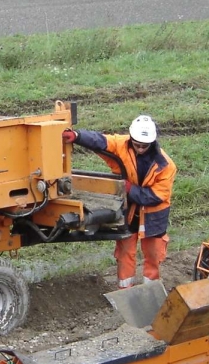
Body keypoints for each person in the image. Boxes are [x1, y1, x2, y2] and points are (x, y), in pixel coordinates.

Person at [62, 116, 177, 289]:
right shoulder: (122, 144)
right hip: (129, 210)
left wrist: (130, 189)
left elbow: (154, 196)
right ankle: (125, 290)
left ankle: (152, 289)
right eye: (137, 144)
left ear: (152, 143)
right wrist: (78, 136)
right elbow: (99, 141)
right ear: (131, 138)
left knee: (153, 253)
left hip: (153, 216)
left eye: (144, 146)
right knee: (125, 251)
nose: (139, 149)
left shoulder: (166, 166)